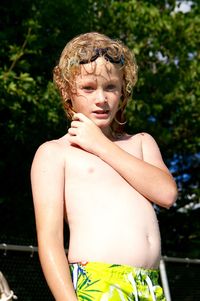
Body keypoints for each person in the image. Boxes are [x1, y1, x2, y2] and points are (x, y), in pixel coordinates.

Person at [31, 32, 177, 301]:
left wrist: (101, 145)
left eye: (110, 87)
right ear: (66, 91)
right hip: (97, 284)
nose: (101, 98)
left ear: (123, 91)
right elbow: (50, 241)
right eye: (88, 88)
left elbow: (166, 194)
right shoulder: (54, 153)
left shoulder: (141, 143)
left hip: (149, 286)